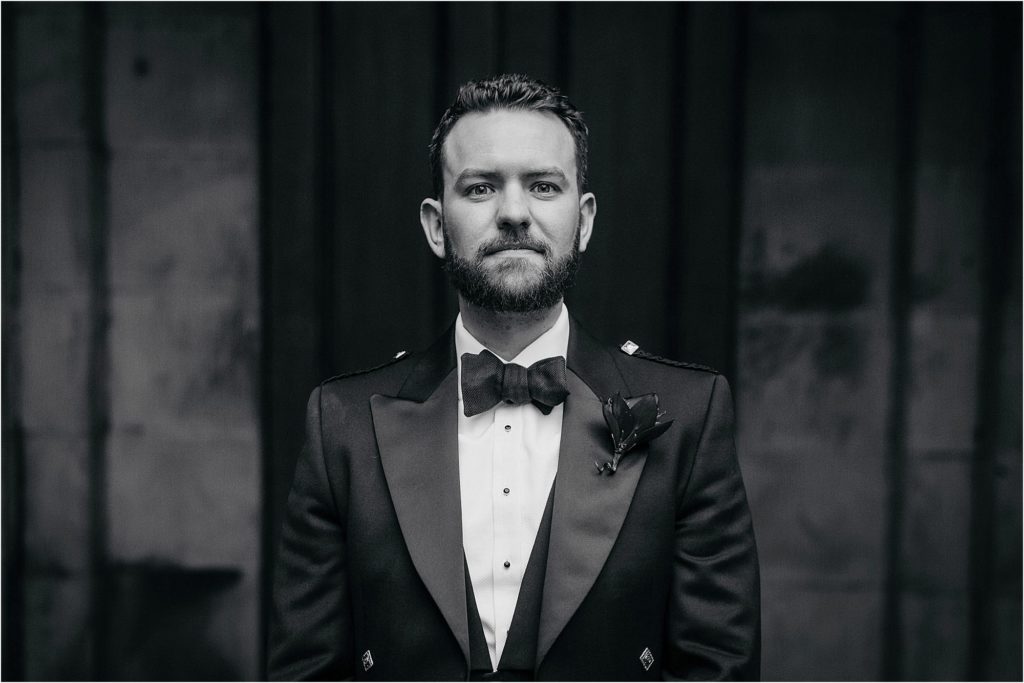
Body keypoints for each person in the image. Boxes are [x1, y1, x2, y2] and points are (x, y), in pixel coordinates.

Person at [268, 73, 760, 681]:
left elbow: (719, 667)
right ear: (435, 225)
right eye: (479, 188)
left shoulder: (689, 414)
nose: (514, 213)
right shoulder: (339, 424)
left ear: (583, 221)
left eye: (543, 186)